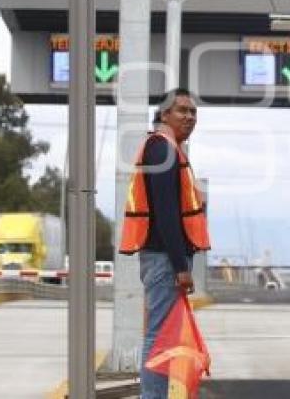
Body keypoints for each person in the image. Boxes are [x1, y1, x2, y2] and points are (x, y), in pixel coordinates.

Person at [118, 88, 210, 399]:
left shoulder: (166, 149)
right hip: (162, 259)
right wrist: (180, 266)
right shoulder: (163, 149)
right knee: (158, 335)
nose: (189, 117)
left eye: (193, 112)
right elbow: (167, 211)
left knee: (163, 336)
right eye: (182, 110)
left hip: (162, 258)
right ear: (164, 115)